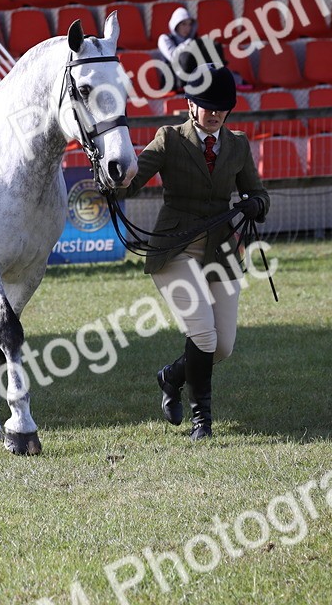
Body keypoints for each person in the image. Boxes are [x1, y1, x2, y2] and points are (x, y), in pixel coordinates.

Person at [117, 64, 269, 440]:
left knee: (224, 346)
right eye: (207, 106)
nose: (215, 113)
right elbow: (131, 183)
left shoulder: (237, 144)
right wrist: (112, 178)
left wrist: (255, 206)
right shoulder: (169, 138)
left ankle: (171, 376)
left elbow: (260, 194)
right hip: (175, 248)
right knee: (204, 336)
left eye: (221, 107)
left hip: (221, 249)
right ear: (190, 105)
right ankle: (203, 420)